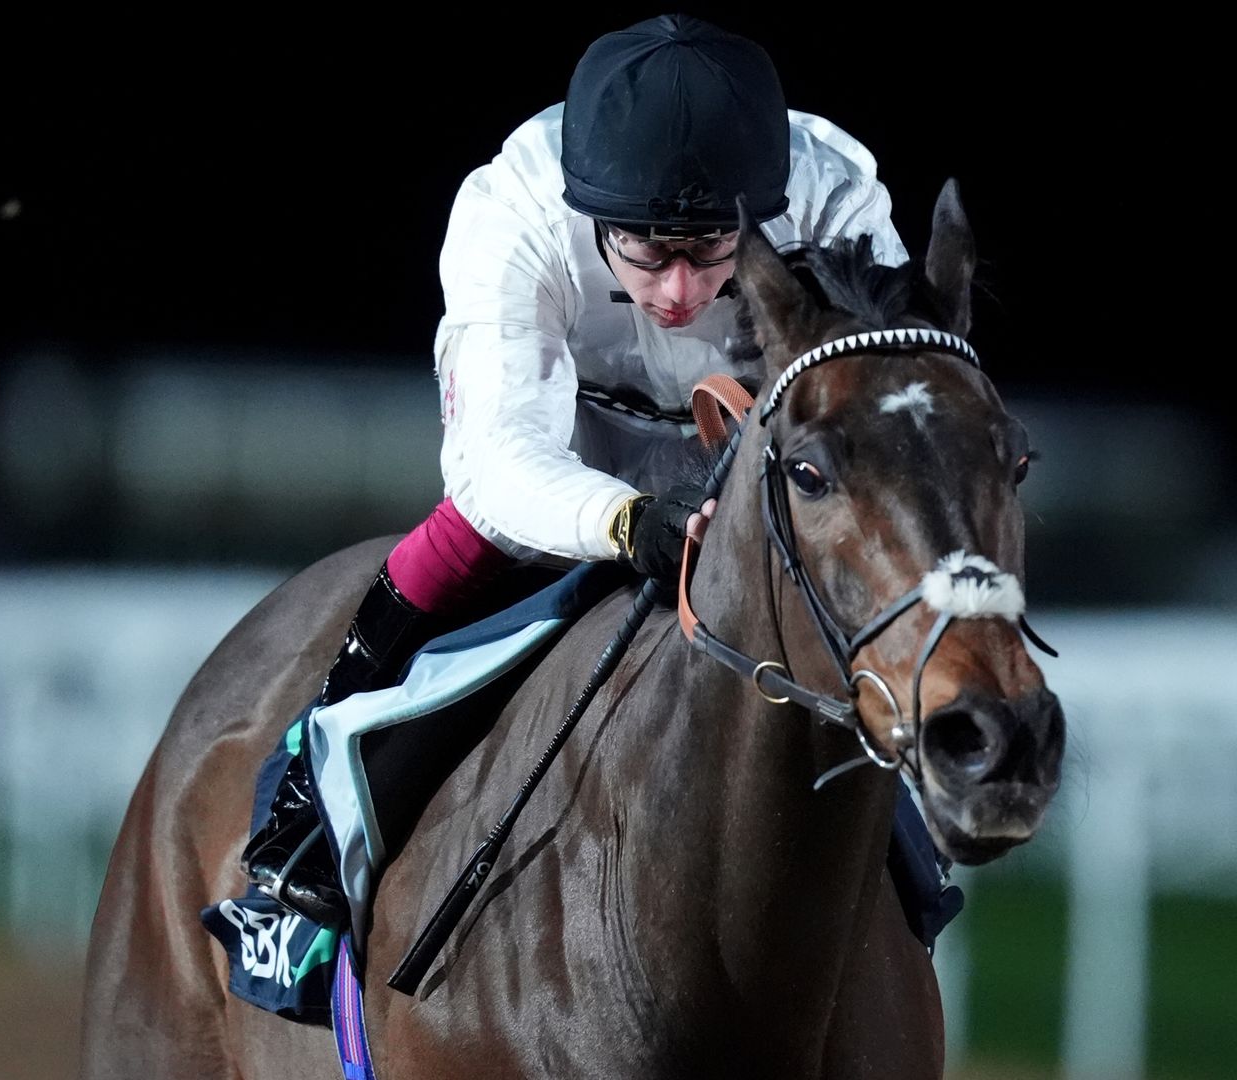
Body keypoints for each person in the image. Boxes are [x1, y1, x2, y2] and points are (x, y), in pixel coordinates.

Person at [243, 12, 918, 929]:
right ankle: (310, 809)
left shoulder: (834, 199)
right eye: (648, 250)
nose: (680, 291)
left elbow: (883, 417)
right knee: (468, 533)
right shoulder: (513, 210)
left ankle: (916, 839)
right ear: (592, 214)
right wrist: (629, 521)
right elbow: (497, 463)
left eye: (711, 250)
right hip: (569, 458)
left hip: (752, 466)